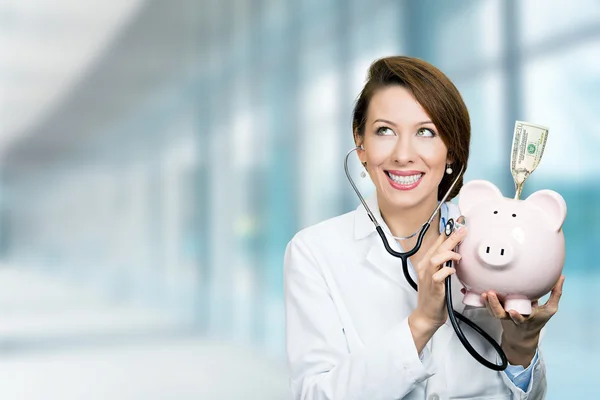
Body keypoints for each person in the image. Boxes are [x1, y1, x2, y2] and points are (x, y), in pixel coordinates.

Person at [283, 56, 564, 399]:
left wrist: (523, 346)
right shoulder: (314, 252)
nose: (403, 154)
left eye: (425, 132)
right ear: (361, 146)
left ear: (451, 151)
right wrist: (422, 323)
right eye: (384, 131)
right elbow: (314, 394)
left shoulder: (494, 237)